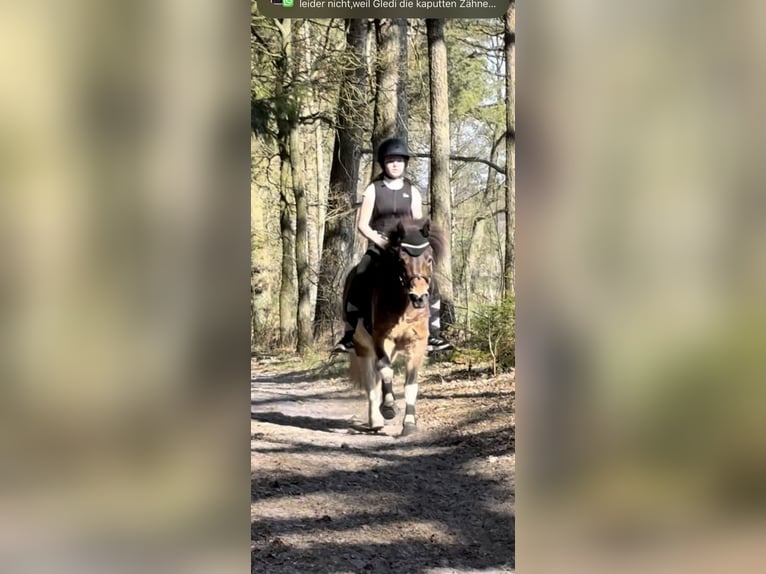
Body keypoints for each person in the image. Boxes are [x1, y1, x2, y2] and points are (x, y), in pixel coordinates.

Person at [333, 137, 454, 354]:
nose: (395, 165)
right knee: (359, 274)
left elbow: (417, 224)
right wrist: (380, 241)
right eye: (390, 161)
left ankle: (434, 334)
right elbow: (362, 224)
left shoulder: (413, 191)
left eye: (399, 161)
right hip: (380, 246)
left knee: (431, 281)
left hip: (406, 248)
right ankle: (350, 335)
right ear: (383, 163)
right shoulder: (373, 190)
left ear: (405, 163)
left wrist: (416, 244)